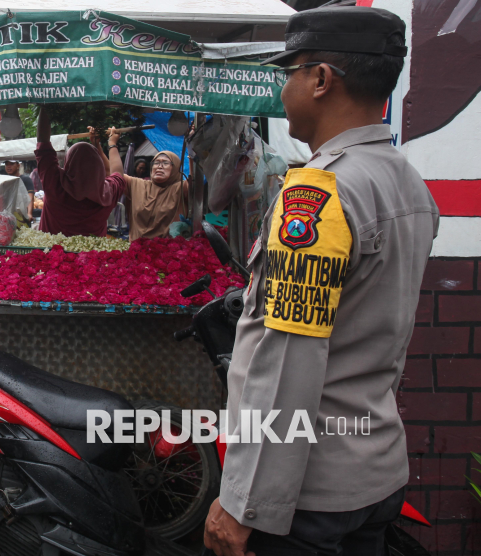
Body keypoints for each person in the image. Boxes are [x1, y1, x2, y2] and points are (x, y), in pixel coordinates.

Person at [202, 7, 439, 556]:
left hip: (306, 499)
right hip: (374, 468)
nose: (282, 88)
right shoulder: (406, 182)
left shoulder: (319, 195)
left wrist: (244, 503)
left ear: (321, 79)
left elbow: (288, 359)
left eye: (289, 72)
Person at [35, 107, 126, 237]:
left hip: (51, 250)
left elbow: (43, 144)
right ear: (99, 168)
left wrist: (46, 103)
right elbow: (117, 173)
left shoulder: (55, 185)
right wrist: (111, 144)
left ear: (68, 164)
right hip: (92, 251)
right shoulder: (108, 193)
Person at [107, 134, 188, 240]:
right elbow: (116, 175)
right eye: (156, 163)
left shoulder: (181, 188)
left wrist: (193, 142)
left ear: (176, 167)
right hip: (136, 248)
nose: (159, 166)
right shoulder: (137, 185)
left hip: (170, 249)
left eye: (165, 163)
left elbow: (195, 178)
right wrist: (111, 144)